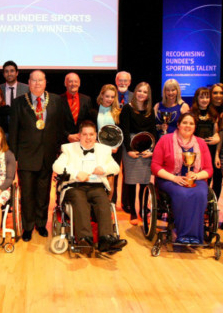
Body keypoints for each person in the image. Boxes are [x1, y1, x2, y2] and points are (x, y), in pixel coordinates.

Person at [52, 120, 127, 254]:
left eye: (91, 134)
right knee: (79, 199)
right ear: (79, 135)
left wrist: (103, 169)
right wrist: (75, 174)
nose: (88, 138)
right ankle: (85, 238)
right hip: (74, 186)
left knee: (103, 199)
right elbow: (56, 166)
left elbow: (115, 168)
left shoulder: (103, 150)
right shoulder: (68, 148)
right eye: (85, 134)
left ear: (96, 135)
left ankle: (106, 239)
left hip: (96, 186)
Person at [9, 70, 66, 241]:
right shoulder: (18, 102)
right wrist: (14, 158)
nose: (37, 83)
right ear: (28, 82)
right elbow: (13, 132)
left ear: (45, 82)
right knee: (27, 194)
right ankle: (27, 226)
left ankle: (41, 224)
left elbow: (60, 127)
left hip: (48, 156)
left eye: (40, 80)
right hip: (26, 156)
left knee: (43, 192)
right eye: (33, 80)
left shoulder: (56, 100)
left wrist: (59, 150)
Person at [151, 113, 213, 244]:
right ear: (178, 125)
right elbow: (155, 166)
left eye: (191, 123)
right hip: (170, 179)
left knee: (201, 193)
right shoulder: (165, 140)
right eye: (185, 122)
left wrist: (196, 175)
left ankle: (195, 236)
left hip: (196, 179)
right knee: (182, 193)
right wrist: (174, 178)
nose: (188, 126)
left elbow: (209, 170)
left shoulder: (201, 143)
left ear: (195, 127)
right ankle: (181, 233)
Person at [119, 82, 157, 225]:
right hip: (130, 148)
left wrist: (151, 150)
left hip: (146, 148)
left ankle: (142, 209)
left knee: (144, 182)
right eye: (139, 91)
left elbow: (153, 131)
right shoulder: (128, 109)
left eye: (145, 92)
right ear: (135, 92)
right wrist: (129, 150)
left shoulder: (150, 110)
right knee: (130, 181)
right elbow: (125, 131)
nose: (142, 94)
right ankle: (133, 212)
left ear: (148, 95)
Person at [89, 84, 122, 204]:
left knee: (112, 177)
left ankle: (111, 204)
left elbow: (121, 132)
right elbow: (91, 130)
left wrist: (116, 146)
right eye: (107, 96)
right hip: (98, 149)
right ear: (101, 95)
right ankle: (96, 204)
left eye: (112, 97)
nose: (109, 99)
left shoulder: (118, 112)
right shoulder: (93, 111)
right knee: (98, 176)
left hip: (115, 150)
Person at [190, 87, 221, 197]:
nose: (205, 100)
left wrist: (216, 137)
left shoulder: (214, 114)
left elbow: (216, 133)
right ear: (197, 98)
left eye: (207, 97)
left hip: (210, 150)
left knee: (210, 176)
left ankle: (210, 202)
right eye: (201, 97)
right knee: (196, 176)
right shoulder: (191, 114)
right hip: (195, 150)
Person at [61, 72, 93, 143]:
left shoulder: (87, 100)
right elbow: (56, 122)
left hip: (83, 140)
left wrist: (82, 134)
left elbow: (89, 120)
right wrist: (67, 136)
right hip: (64, 141)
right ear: (65, 83)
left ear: (79, 84)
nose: (73, 84)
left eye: (76, 81)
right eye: (70, 81)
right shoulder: (58, 100)